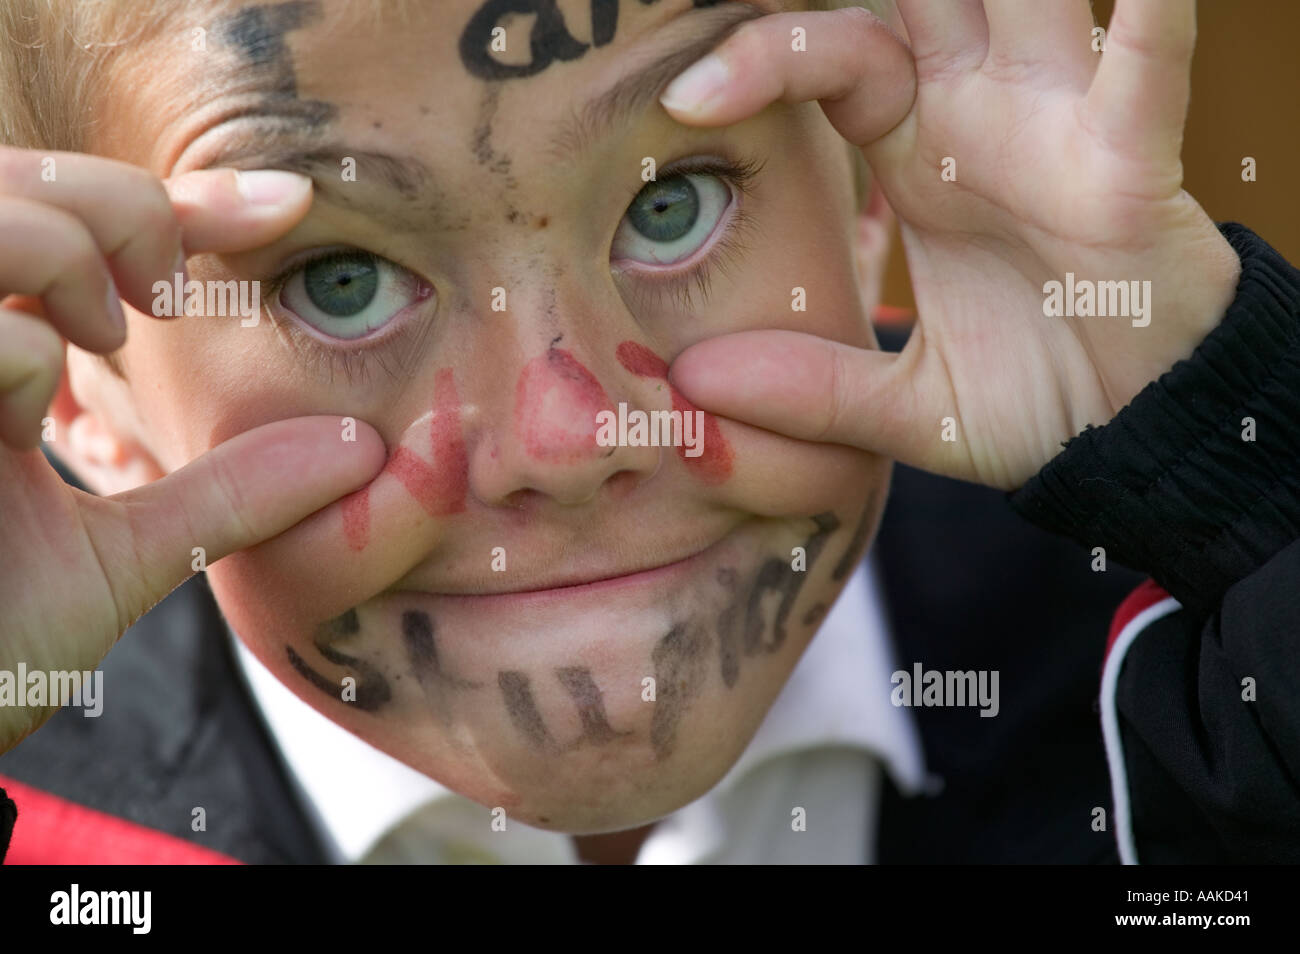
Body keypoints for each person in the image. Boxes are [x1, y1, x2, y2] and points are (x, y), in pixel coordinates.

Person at [0, 0, 1294, 864]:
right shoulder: (44, 816)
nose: (570, 437)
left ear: (867, 209)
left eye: (674, 203)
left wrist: (1244, 475)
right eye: (337, 280)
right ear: (82, 397)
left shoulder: (1174, 635)